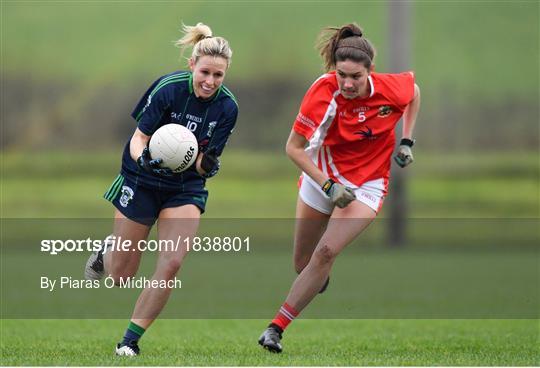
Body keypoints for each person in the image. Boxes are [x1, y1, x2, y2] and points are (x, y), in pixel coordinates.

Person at [258, 23, 420, 353]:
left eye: (355, 77)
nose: (347, 83)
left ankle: (275, 329)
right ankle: (316, 274)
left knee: (327, 251)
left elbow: (414, 93)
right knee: (303, 264)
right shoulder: (322, 91)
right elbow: (293, 148)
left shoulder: (389, 89)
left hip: (369, 184)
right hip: (322, 175)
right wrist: (329, 185)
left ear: (370, 71)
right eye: (341, 75)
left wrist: (406, 141)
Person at [84, 22, 238, 356]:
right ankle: (105, 253)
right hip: (142, 178)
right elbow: (139, 139)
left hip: (185, 188)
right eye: (205, 72)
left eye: (219, 75)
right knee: (120, 276)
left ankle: (129, 341)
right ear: (192, 66)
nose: (210, 82)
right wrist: (144, 161)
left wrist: (208, 165)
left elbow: (203, 163)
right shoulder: (168, 88)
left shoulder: (228, 108)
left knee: (171, 263)